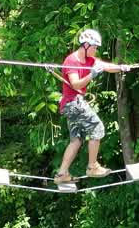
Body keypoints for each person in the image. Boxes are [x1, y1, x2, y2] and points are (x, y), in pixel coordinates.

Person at [54, 28, 130, 183]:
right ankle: (92, 167)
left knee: (76, 140)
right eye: (95, 47)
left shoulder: (90, 59)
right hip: (73, 103)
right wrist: (91, 75)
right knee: (98, 129)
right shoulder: (71, 61)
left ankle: (62, 175)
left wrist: (121, 68)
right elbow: (75, 85)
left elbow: (106, 66)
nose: (96, 50)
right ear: (86, 45)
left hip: (71, 105)